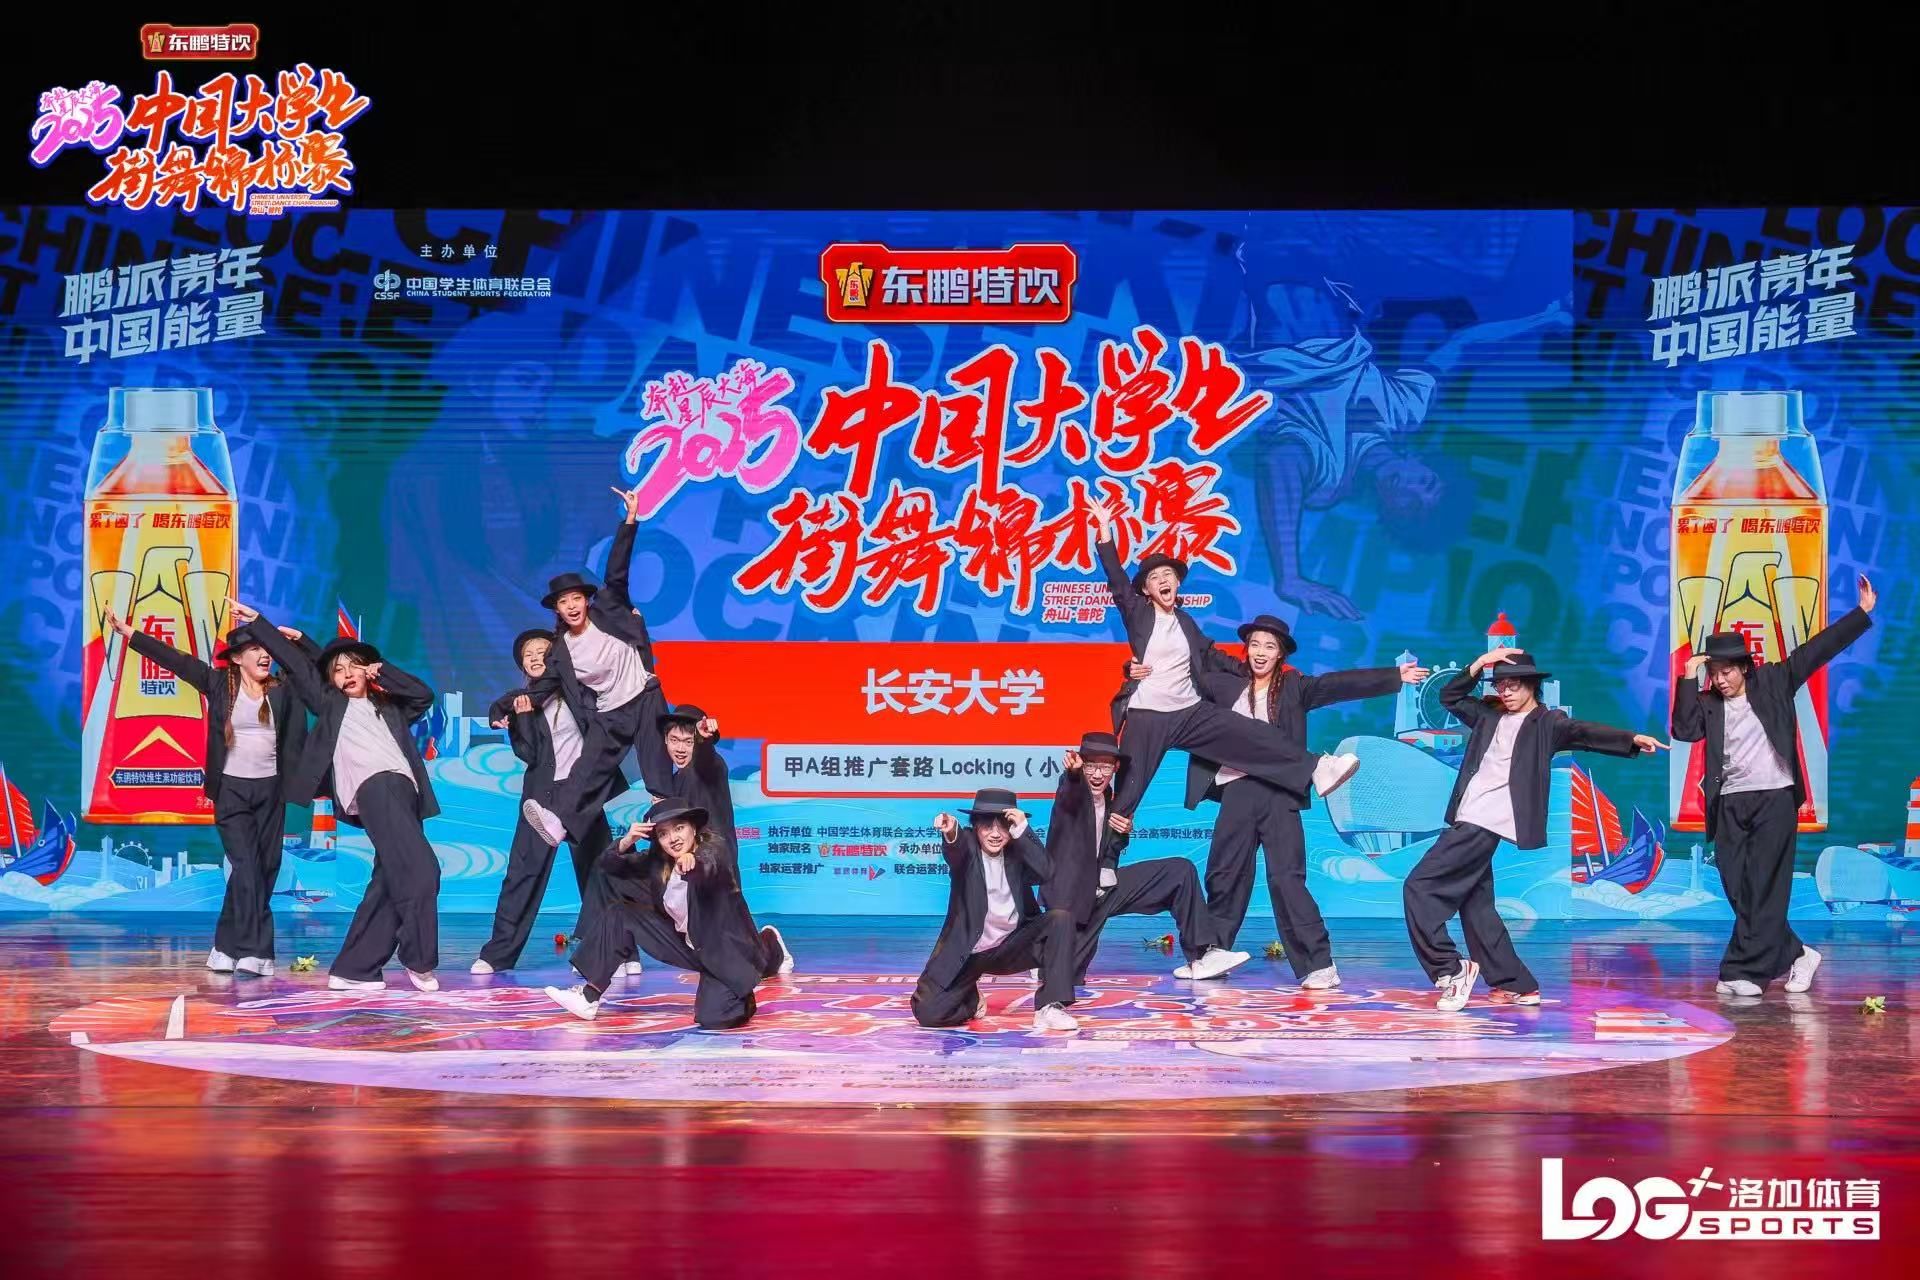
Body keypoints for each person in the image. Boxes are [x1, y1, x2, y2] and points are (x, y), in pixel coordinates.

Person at [1167, 615, 1426, 987]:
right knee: (1224, 874)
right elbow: (1190, 661)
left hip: (1279, 793)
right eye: (1255, 644)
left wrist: (1393, 676)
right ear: (1246, 649)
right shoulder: (1225, 684)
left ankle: (1318, 965)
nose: (1261, 652)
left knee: (1286, 880)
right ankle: (1213, 952)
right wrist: (1138, 667)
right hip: (1237, 790)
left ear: (1280, 654)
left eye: (1269, 646)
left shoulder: (1293, 686)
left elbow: (1336, 685)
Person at [1406, 646, 1667, 1011]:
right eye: (1501, 685)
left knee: (1419, 887)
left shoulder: (1548, 723)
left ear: (1531, 685)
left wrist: (1631, 739)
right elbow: (1450, 696)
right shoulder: (1487, 715)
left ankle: (1450, 970)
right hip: (1469, 816)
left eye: (1514, 685)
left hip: (1485, 821)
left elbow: (1585, 732)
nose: (1506, 691)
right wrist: (1478, 664)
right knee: (1477, 908)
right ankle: (1517, 984)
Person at [1671, 575, 1876, 997]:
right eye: (1713, 673)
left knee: (1765, 885)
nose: (1720, 680)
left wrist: (1861, 613)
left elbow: (1818, 650)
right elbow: (1684, 730)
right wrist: (1688, 678)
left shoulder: (1774, 681)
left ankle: (1745, 972)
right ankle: (1798, 953)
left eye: (1727, 671)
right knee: (1737, 887)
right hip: (1730, 802)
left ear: (1744, 667)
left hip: (1775, 797)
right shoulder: (1707, 701)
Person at [1090, 503, 1360, 821]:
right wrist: (1105, 530)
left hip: (1188, 712)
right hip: (1147, 717)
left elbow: (1211, 656)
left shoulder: (1186, 623)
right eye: (1154, 577)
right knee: (1125, 800)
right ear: (1147, 590)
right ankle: (1102, 852)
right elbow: (1118, 581)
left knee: (1253, 732)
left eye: (1168, 574)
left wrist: (1254, 671)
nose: (1163, 579)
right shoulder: (1139, 614)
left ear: (1177, 584)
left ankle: (1318, 768)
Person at [233, 600, 446, 993]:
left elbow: (423, 695)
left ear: (368, 669)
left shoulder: (390, 707)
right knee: (423, 870)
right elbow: (300, 668)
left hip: (406, 793)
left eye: (353, 666)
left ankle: (355, 968)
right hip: (374, 786)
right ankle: (419, 959)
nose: (346, 674)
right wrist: (261, 624)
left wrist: (384, 671)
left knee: (390, 880)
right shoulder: (331, 704)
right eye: (337, 670)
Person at [104, 608, 318, 978]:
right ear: (236, 658)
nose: (265, 655)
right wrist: (129, 634)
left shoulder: (283, 689)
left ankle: (224, 948)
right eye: (255, 649)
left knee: (266, 869)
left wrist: (297, 640)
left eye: (267, 649)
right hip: (231, 790)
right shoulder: (219, 683)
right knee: (247, 868)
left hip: (270, 790)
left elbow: (308, 671)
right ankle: (257, 951)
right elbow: (175, 660)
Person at [545, 799, 793, 1028]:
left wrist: (693, 861)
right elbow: (607, 867)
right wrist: (626, 841)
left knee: (714, 1017)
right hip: (687, 944)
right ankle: (589, 997)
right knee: (620, 914)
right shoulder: (658, 862)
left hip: (723, 950)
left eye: (679, 828)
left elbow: (711, 862)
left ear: (693, 828)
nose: (673, 838)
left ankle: (770, 947)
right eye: (663, 834)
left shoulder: (714, 848)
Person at [522, 486, 675, 850]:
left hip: (643, 695)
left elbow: (616, 570)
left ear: (586, 601)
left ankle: (670, 823)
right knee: (587, 767)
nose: (572, 606)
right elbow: (542, 686)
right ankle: (559, 823)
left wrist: (630, 521)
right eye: (564, 602)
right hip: (610, 713)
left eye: (576, 598)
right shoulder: (560, 651)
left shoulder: (608, 610)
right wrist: (504, 709)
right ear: (557, 610)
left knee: (655, 764)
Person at [472, 629, 626, 975]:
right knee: (521, 874)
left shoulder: (578, 693)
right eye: (528, 654)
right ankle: (498, 954)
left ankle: (618, 953)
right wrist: (524, 717)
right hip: (541, 797)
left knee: (599, 872)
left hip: (582, 792)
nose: (535, 657)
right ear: (522, 666)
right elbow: (529, 755)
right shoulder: (520, 704)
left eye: (543, 651)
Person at [1041, 733, 1247, 984]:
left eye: (1105, 766)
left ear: (1116, 767)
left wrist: (1122, 832)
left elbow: (1106, 849)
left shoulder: (1112, 801)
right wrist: (1073, 775)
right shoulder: (1071, 794)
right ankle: (1043, 953)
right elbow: (1069, 794)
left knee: (1179, 872)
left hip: (1105, 888)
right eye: (1090, 766)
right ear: (1080, 764)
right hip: (1072, 899)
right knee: (1064, 976)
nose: (1097, 774)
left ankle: (1201, 956)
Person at [912, 787, 1078, 1032]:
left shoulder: (1018, 851)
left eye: (1003, 827)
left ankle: (1049, 1007)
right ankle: (971, 1000)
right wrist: (951, 830)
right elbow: (956, 847)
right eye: (987, 826)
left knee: (1060, 919)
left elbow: (1046, 872)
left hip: (1011, 947)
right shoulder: (968, 847)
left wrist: (1023, 829)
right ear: (975, 827)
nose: (995, 834)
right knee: (928, 1013)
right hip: (969, 952)